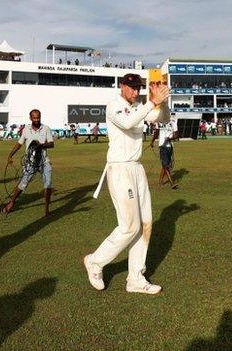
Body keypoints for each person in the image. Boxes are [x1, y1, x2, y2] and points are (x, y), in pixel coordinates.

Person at [84, 73, 170, 294]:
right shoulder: (114, 106)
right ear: (122, 86)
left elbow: (163, 119)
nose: (135, 91)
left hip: (136, 168)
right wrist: (152, 101)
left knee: (146, 224)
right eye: (131, 87)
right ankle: (95, 261)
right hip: (120, 168)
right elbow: (128, 121)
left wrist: (164, 99)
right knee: (129, 226)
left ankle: (135, 278)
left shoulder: (141, 105)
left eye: (138, 88)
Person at [1, 109, 54, 217]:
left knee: (47, 185)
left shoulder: (46, 128)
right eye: (34, 118)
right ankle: (12, 202)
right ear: (30, 118)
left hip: (44, 161)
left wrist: (42, 145)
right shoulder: (26, 129)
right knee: (23, 184)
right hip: (31, 162)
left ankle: (47, 210)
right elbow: (19, 143)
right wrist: (10, 155)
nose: (36, 119)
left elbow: (52, 144)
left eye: (38, 117)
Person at [150, 119, 179, 189]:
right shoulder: (172, 122)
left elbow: (177, 135)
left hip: (168, 146)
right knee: (165, 165)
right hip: (165, 147)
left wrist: (169, 139)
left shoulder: (170, 122)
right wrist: (152, 141)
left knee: (165, 165)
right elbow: (157, 132)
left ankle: (160, 182)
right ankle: (172, 183)